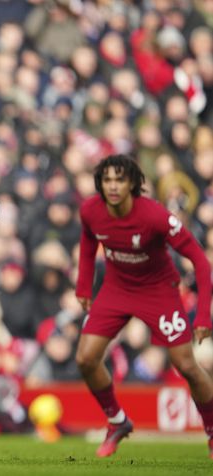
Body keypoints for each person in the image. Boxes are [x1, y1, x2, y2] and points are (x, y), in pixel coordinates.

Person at [75, 154, 213, 458]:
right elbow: (88, 242)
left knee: (187, 366)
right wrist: (84, 285)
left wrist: (203, 314)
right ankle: (117, 421)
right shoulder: (91, 211)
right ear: (100, 183)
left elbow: (201, 262)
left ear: (133, 183)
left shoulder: (155, 216)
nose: (112, 186)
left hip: (158, 291)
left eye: (119, 180)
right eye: (107, 180)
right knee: (86, 358)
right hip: (116, 288)